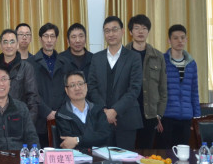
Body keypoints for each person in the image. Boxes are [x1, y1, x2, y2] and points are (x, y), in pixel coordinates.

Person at [87, 16, 143, 150]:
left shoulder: (134, 57)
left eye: (114, 29)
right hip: (101, 120)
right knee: (101, 159)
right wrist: (104, 111)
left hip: (126, 119)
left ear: (123, 31)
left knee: (125, 161)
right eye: (107, 31)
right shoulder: (96, 58)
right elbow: (92, 87)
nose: (111, 34)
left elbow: (134, 89)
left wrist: (115, 110)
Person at [125, 14, 167, 149]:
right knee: (127, 152)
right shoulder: (122, 55)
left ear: (148, 31)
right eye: (136, 28)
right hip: (127, 113)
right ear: (130, 32)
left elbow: (163, 88)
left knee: (146, 152)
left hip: (149, 115)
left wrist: (159, 114)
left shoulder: (158, 56)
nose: (140, 31)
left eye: (144, 28)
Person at [29, 23, 68, 148]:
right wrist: (46, 111)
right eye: (46, 36)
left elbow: (69, 90)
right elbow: (31, 91)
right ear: (40, 39)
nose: (49, 40)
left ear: (56, 39)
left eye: (52, 36)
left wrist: (58, 112)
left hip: (61, 120)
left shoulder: (65, 62)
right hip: (39, 120)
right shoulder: (30, 63)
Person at [161, 24, 200, 147]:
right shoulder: (162, 61)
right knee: (165, 153)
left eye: (182, 38)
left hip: (186, 117)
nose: (180, 41)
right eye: (176, 38)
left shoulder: (191, 63)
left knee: (183, 153)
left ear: (186, 40)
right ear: (169, 40)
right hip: (166, 117)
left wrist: (196, 117)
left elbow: (194, 92)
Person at [55, 70, 110, 150]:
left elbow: (104, 136)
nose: (77, 88)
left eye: (80, 84)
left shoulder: (98, 110)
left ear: (86, 86)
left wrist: (77, 140)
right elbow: (68, 143)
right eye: (72, 85)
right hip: (76, 156)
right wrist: (93, 138)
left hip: (99, 155)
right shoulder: (62, 115)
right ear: (66, 90)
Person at [0, 28, 39, 124]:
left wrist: (28, 125)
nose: (8, 46)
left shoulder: (26, 68)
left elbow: (32, 100)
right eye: (5, 42)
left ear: (17, 45)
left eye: (12, 42)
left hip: (20, 122)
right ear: (0, 45)